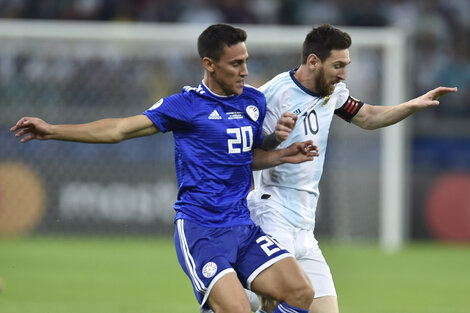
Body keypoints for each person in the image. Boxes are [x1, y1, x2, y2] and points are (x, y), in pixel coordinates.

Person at [11, 24, 320, 313]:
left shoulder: (252, 101)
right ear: (209, 64)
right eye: (235, 64)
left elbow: (245, 155)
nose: (245, 71)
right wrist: (53, 130)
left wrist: (281, 151)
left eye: (246, 61)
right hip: (201, 229)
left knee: (301, 292)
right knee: (238, 309)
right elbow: (119, 129)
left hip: (242, 225)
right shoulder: (184, 106)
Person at [247, 24, 458, 313]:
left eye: (346, 65)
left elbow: (368, 116)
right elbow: (244, 153)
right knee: (277, 300)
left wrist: (412, 105)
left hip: (304, 223)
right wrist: (276, 145)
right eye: (337, 65)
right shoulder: (271, 95)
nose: (343, 74)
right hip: (272, 214)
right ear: (312, 61)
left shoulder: (332, 92)